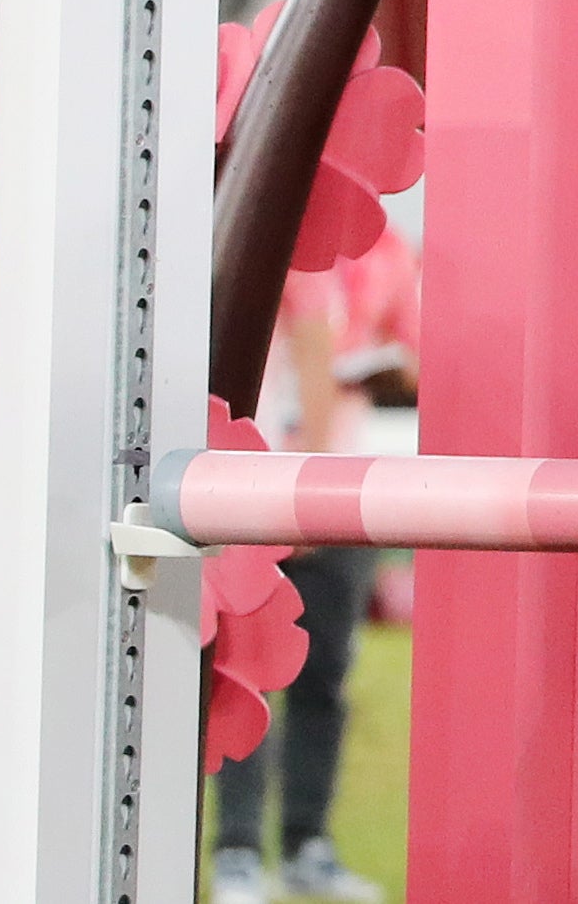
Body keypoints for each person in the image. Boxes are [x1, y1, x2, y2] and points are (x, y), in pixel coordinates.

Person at [212, 223, 417, 904]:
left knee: (324, 673)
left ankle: (306, 843)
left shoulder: (386, 252)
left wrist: (383, 367)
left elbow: (414, 351)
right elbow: (305, 341)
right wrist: (304, 485)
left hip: (339, 481)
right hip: (266, 479)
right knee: (247, 674)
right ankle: (237, 849)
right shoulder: (274, 232)